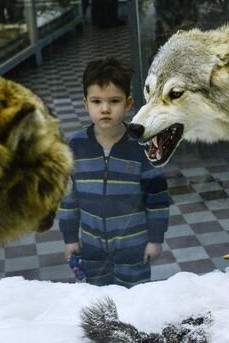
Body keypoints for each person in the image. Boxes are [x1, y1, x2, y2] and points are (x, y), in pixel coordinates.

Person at [58, 58, 169, 287]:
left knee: (134, 305)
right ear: (85, 103)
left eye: (114, 101)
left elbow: (158, 200)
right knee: (98, 306)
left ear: (128, 103)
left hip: (134, 250)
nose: (105, 109)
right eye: (96, 101)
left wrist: (155, 240)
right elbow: (69, 199)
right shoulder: (76, 146)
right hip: (92, 251)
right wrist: (70, 238)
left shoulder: (142, 147)